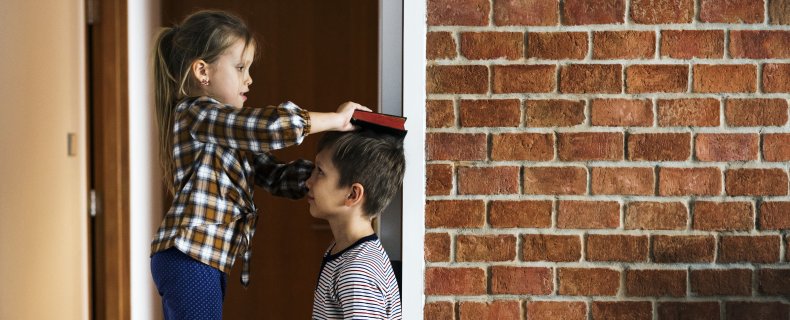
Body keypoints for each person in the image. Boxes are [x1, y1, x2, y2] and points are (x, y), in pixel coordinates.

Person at [148, 10, 370, 319]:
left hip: (201, 257)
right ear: (203, 72)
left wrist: (330, 177)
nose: (249, 79)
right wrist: (336, 119)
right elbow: (269, 128)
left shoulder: (225, 133)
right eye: (240, 68)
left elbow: (274, 175)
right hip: (190, 255)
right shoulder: (197, 114)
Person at [307, 130, 405, 319]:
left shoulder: (358, 272)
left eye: (320, 171)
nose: (308, 182)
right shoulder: (341, 250)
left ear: (352, 195)